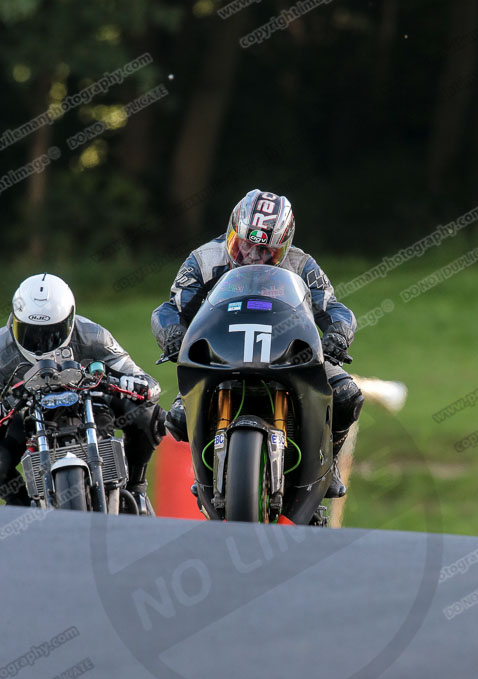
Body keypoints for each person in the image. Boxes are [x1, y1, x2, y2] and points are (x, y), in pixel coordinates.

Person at [151, 189, 364, 498]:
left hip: (290, 350)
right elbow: (170, 309)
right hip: (221, 349)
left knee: (347, 396)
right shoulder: (203, 259)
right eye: (244, 244)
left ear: (285, 246)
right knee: (179, 418)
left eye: (266, 252)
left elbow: (335, 309)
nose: (252, 255)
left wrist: (338, 335)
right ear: (231, 231)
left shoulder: (302, 264)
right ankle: (205, 466)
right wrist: (171, 334)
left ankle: (326, 462)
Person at [0, 273, 166, 513]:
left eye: (50, 333)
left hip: (92, 397)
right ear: (14, 323)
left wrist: (138, 385)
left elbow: (143, 379)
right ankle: (22, 510)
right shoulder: (3, 348)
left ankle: (136, 486)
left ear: (69, 321)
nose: (40, 343)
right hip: (26, 410)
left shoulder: (93, 335)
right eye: (30, 332)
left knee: (149, 415)